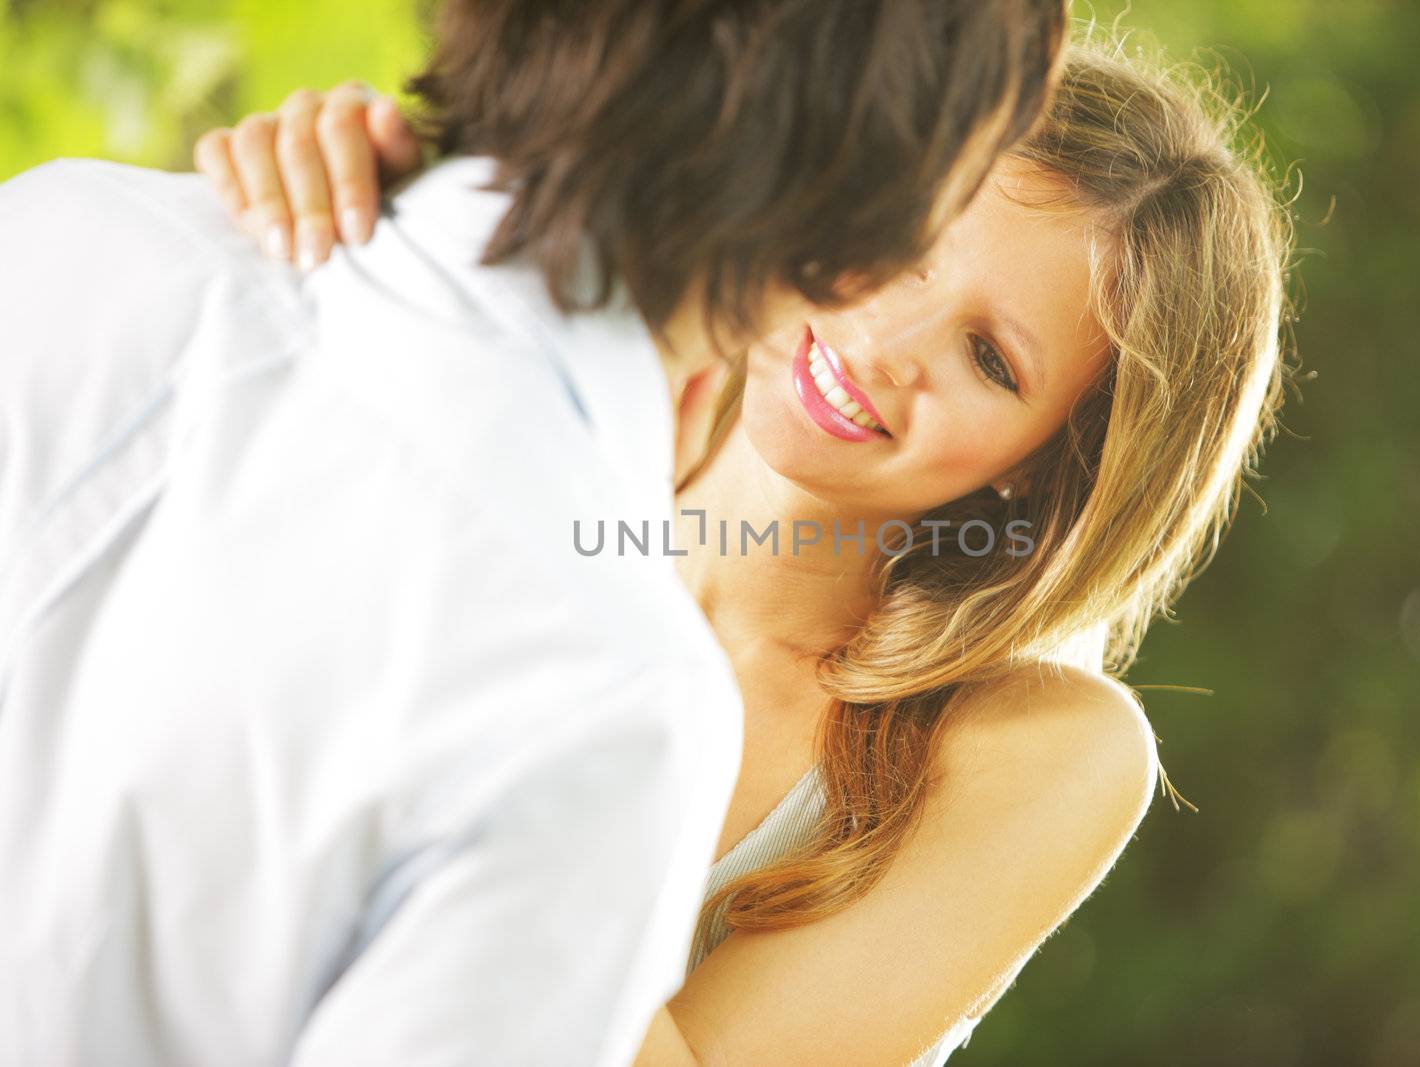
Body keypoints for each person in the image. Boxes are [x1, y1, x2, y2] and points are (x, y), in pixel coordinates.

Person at [195, 23, 1298, 1066]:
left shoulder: (1042, 749)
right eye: (909, 237)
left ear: (1048, 464)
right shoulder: (541, 365)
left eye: (989, 357)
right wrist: (315, 218)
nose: (884, 342)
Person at [0, 2, 1072, 1065]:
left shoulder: (60, 227)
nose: (895, 340)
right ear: (867, 241)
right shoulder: (612, 696)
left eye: (990, 354)